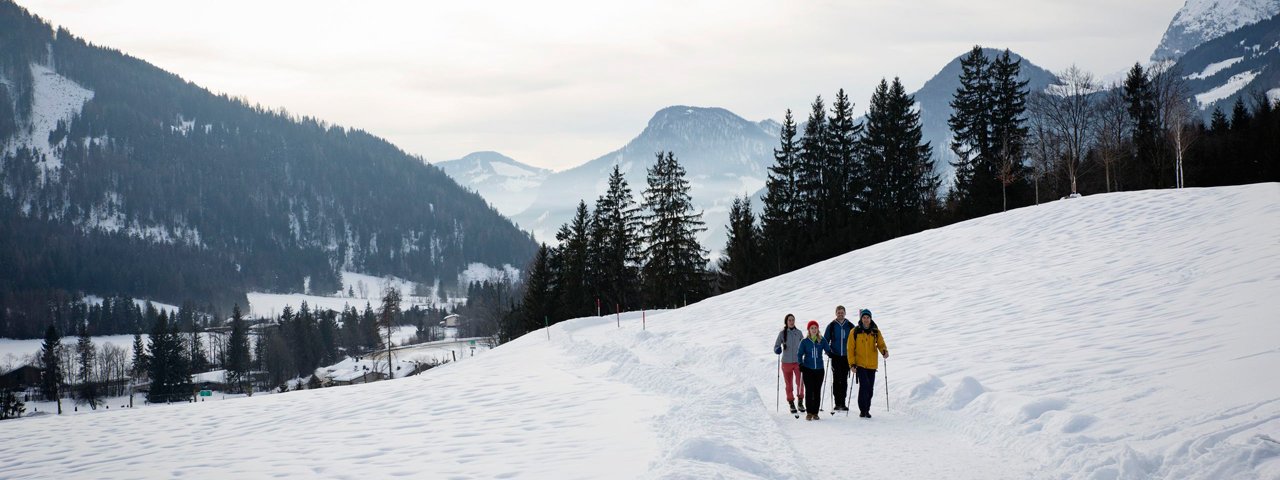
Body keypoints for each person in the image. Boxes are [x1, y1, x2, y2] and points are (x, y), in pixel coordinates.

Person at [847, 309, 888, 418]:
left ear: (870, 319)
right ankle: (863, 410)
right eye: (864, 317)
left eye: (868, 318)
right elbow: (850, 349)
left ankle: (867, 409)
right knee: (864, 386)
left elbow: (881, 343)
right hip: (860, 364)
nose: (866, 320)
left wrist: (884, 351)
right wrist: (852, 364)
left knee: (870, 388)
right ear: (861, 318)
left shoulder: (875, 331)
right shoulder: (855, 331)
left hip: (872, 364)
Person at [823, 306, 855, 412]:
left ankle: (843, 403)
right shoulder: (831, 326)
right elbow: (825, 341)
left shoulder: (850, 326)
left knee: (844, 379)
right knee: (837, 379)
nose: (840, 314)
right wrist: (829, 352)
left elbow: (856, 341)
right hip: (835, 356)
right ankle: (837, 403)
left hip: (847, 357)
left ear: (845, 313)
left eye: (842, 312)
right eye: (838, 312)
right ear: (836, 313)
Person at [796, 320, 828, 421]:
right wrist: (800, 364)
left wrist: (830, 353)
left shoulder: (822, 340)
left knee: (817, 391)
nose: (814, 330)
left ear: (818, 329)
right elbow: (799, 354)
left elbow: (827, 349)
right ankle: (809, 412)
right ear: (809, 330)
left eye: (815, 328)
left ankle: (815, 412)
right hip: (808, 369)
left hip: (819, 369)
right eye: (812, 328)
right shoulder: (804, 341)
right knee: (809, 391)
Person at [773, 314, 804, 415]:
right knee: (789, 384)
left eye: (793, 320)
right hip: (786, 362)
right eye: (789, 320)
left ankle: (800, 402)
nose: (791, 322)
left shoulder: (799, 333)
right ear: (786, 322)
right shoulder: (782, 333)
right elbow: (776, 346)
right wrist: (777, 349)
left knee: (800, 382)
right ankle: (791, 403)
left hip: (797, 362)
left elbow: (804, 345)